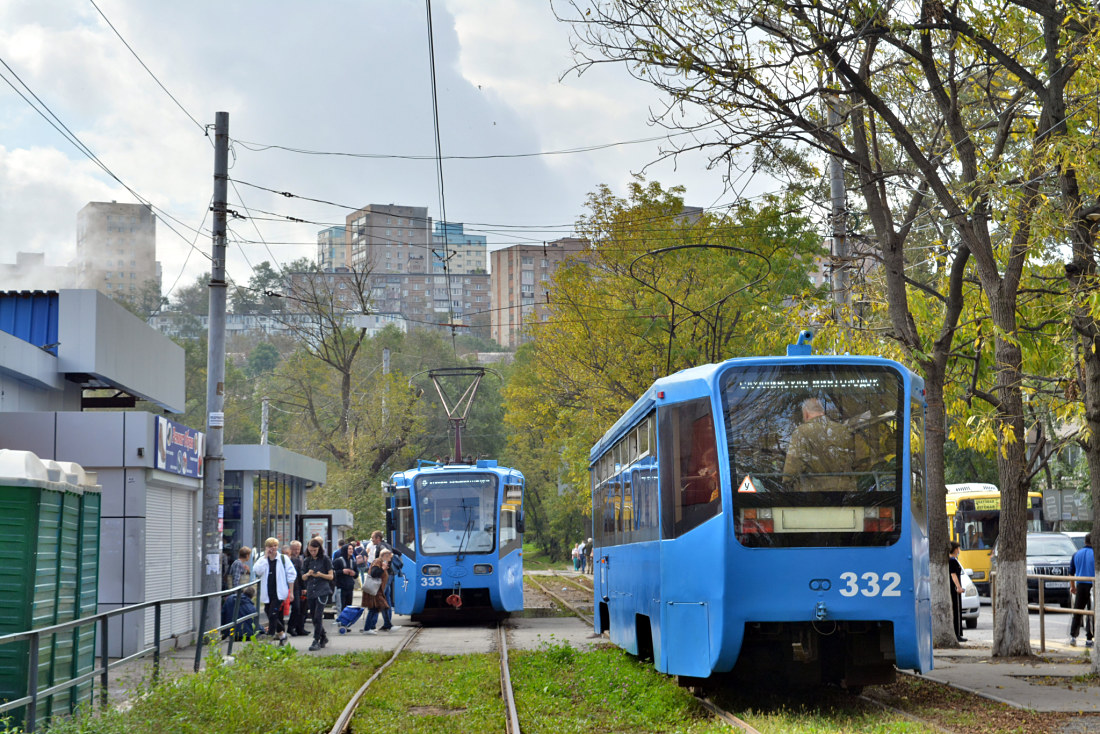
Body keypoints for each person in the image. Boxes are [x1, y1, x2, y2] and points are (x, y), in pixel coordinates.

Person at [782, 397, 856, 492]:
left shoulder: (801, 432)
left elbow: (791, 470)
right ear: (823, 412)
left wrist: (786, 483)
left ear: (806, 414)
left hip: (815, 493)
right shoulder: (843, 430)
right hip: (845, 492)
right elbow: (857, 462)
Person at [252, 537, 296, 645]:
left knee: (272, 614)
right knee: (268, 612)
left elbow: (291, 575)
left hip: (279, 592)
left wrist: (291, 592)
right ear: (266, 547)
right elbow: (257, 571)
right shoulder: (263, 559)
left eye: (275, 546)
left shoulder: (283, 559)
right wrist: (265, 557)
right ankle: (282, 635)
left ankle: (270, 638)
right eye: (270, 546)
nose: (273, 548)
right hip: (267, 592)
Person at [301, 537, 334, 651]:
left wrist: (320, 575)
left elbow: (331, 576)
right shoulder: (307, 560)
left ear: (319, 549)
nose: (313, 552)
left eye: (315, 550)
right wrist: (308, 574)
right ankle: (323, 636)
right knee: (313, 616)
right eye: (310, 550)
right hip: (311, 591)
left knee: (318, 616)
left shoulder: (325, 559)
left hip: (322, 590)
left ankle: (316, 640)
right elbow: (303, 577)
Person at [362, 549, 402, 634]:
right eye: (390, 557)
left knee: (378, 608)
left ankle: (386, 626)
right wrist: (382, 569)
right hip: (375, 590)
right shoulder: (377, 562)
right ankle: (368, 629)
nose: (390, 559)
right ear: (385, 556)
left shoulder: (382, 562)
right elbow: (374, 573)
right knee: (377, 608)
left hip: (378, 590)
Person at [1069, 533, 1095, 648]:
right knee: (1091, 612)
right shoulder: (1096, 554)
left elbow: (1071, 573)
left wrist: (1073, 586)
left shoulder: (1076, 554)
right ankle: (1089, 638)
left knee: (1078, 611)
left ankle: (1073, 637)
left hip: (1080, 585)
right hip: (1093, 585)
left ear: (1084, 542)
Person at [287, 540, 307, 636]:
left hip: (297, 587)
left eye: (298, 549)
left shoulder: (298, 560)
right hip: (288, 587)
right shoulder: (289, 560)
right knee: (295, 608)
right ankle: (289, 627)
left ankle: (296, 627)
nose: (296, 551)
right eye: (294, 549)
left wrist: (303, 587)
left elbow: (300, 575)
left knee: (299, 608)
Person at [333, 541, 358, 612]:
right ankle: (341, 619)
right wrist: (342, 571)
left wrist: (354, 573)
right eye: (349, 549)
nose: (351, 550)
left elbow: (356, 574)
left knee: (349, 607)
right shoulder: (338, 561)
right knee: (341, 607)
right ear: (345, 550)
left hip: (350, 587)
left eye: (352, 549)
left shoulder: (353, 562)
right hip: (341, 587)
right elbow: (333, 573)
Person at [949, 541, 966, 643]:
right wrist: (958, 587)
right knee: (956, 611)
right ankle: (957, 634)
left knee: (956, 611)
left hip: (953, 588)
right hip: (954, 589)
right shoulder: (952, 561)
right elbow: (953, 575)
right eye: (958, 548)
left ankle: (958, 634)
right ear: (955, 549)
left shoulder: (952, 560)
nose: (959, 550)